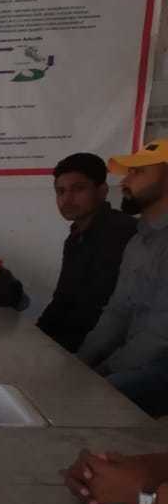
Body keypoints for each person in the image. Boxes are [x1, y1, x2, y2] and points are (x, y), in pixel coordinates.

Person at [78, 141, 168, 414]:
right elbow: (117, 312)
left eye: (138, 172)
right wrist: (78, 363)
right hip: (140, 359)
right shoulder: (138, 241)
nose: (124, 182)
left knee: (93, 402)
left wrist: (106, 370)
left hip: (161, 363)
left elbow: (160, 336)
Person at [37, 153, 140, 354]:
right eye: (60, 191)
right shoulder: (77, 236)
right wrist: (36, 339)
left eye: (78, 189)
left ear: (102, 191)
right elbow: (62, 299)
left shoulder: (121, 233)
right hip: (76, 346)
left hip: (109, 352)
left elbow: (99, 310)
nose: (67, 199)